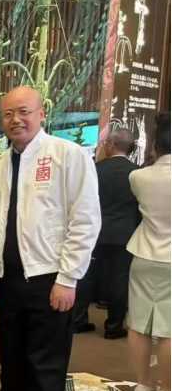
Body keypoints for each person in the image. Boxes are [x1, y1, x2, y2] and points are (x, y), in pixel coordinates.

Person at [0, 86, 100, 391]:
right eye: (7, 114)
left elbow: (85, 219)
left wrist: (68, 278)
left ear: (41, 113)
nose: (15, 120)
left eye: (23, 111)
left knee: (44, 367)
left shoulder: (67, 155)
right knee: (12, 363)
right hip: (8, 281)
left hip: (50, 280)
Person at [73, 129, 140, 339]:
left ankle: (78, 320)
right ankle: (113, 327)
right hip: (125, 235)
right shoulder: (137, 173)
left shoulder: (95, 169)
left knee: (85, 276)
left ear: (111, 144)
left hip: (94, 233)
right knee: (119, 280)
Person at [126, 112, 171, 391]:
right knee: (168, 328)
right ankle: (167, 390)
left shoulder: (138, 176)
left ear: (156, 145)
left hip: (143, 253)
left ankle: (143, 384)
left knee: (138, 324)